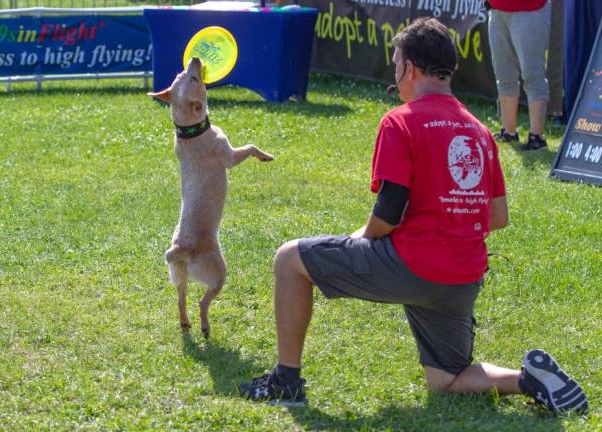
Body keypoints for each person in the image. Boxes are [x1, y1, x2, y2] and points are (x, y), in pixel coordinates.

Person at [238, 18, 589, 415]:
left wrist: (364, 237)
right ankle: (527, 380)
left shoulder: (400, 120)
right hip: (462, 278)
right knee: (447, 380)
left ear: (410, 68)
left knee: (288, 259)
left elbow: (389, 211)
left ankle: (286, 382)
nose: (395, 74)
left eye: (395, 64)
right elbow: (498, 216)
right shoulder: (479, 130)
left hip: (413, 266)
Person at [487, 0, 552, 150]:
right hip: (497, 9)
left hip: (530, 9)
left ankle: (537, 137)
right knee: (504, 75)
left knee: (532, 76)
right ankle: (509, 132)